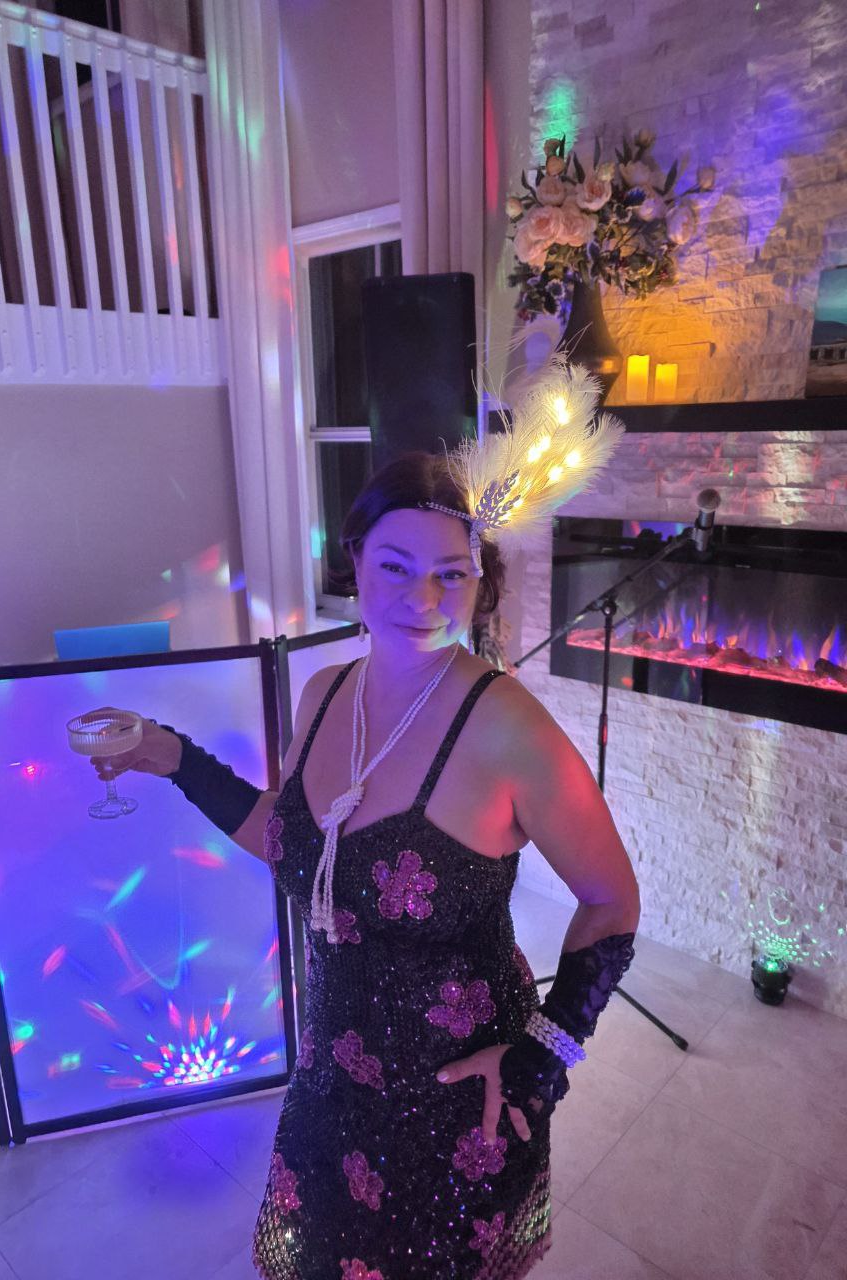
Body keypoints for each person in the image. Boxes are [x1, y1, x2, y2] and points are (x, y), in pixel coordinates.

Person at [86, 366, 640, 1278]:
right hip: (331, 1084)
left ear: (479, 581)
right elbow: (292, 845)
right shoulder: (322, 695)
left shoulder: (508, 728)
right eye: (396, 567)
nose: (424, 600)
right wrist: (174, 757)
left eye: (451, 575)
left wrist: (543, 1055)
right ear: (354, 560)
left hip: (459, 1109)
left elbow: (612, 900)